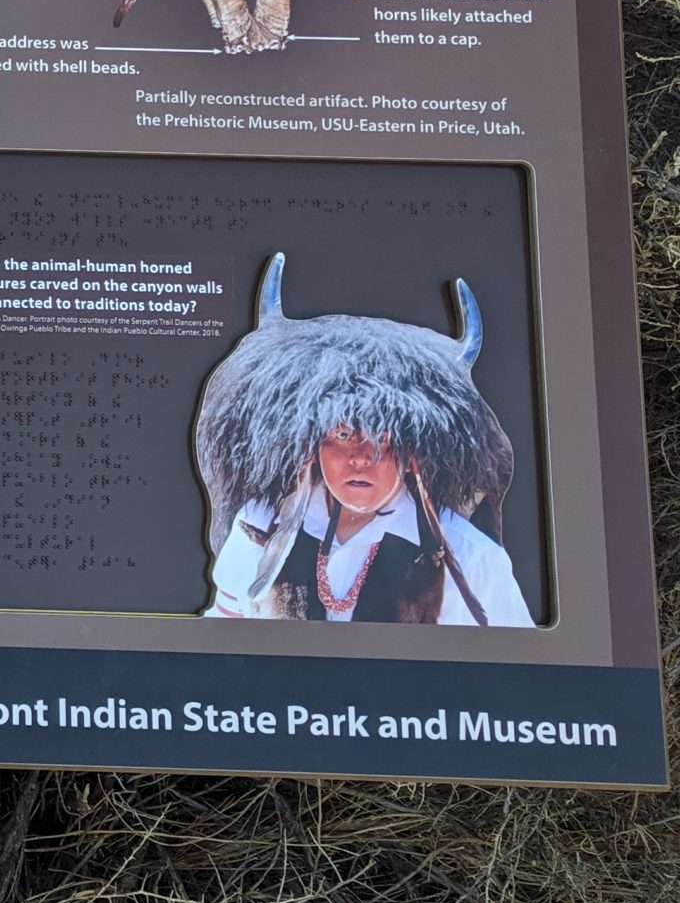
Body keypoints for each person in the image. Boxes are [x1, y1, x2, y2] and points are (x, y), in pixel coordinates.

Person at [194, 252, 535, 626]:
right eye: (342, 434)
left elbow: (511, 666)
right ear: (313, 445)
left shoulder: (473, 558)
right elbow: (224, 633)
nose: (361, 458)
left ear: (413, 453)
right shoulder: (258, 525)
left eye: (384, 440)